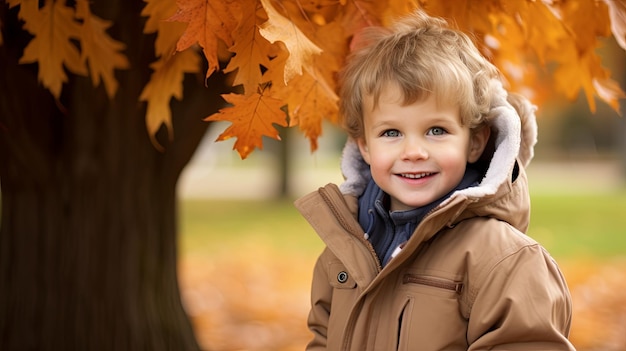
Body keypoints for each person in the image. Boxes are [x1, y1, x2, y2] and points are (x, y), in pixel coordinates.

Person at [294, 9, 576, 351]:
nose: (413, 151)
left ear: (474, 141)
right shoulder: (344, 250)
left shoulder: (503, 260)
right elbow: (323, 339)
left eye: (436, 130)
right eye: (392, 132)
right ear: (364, 146)